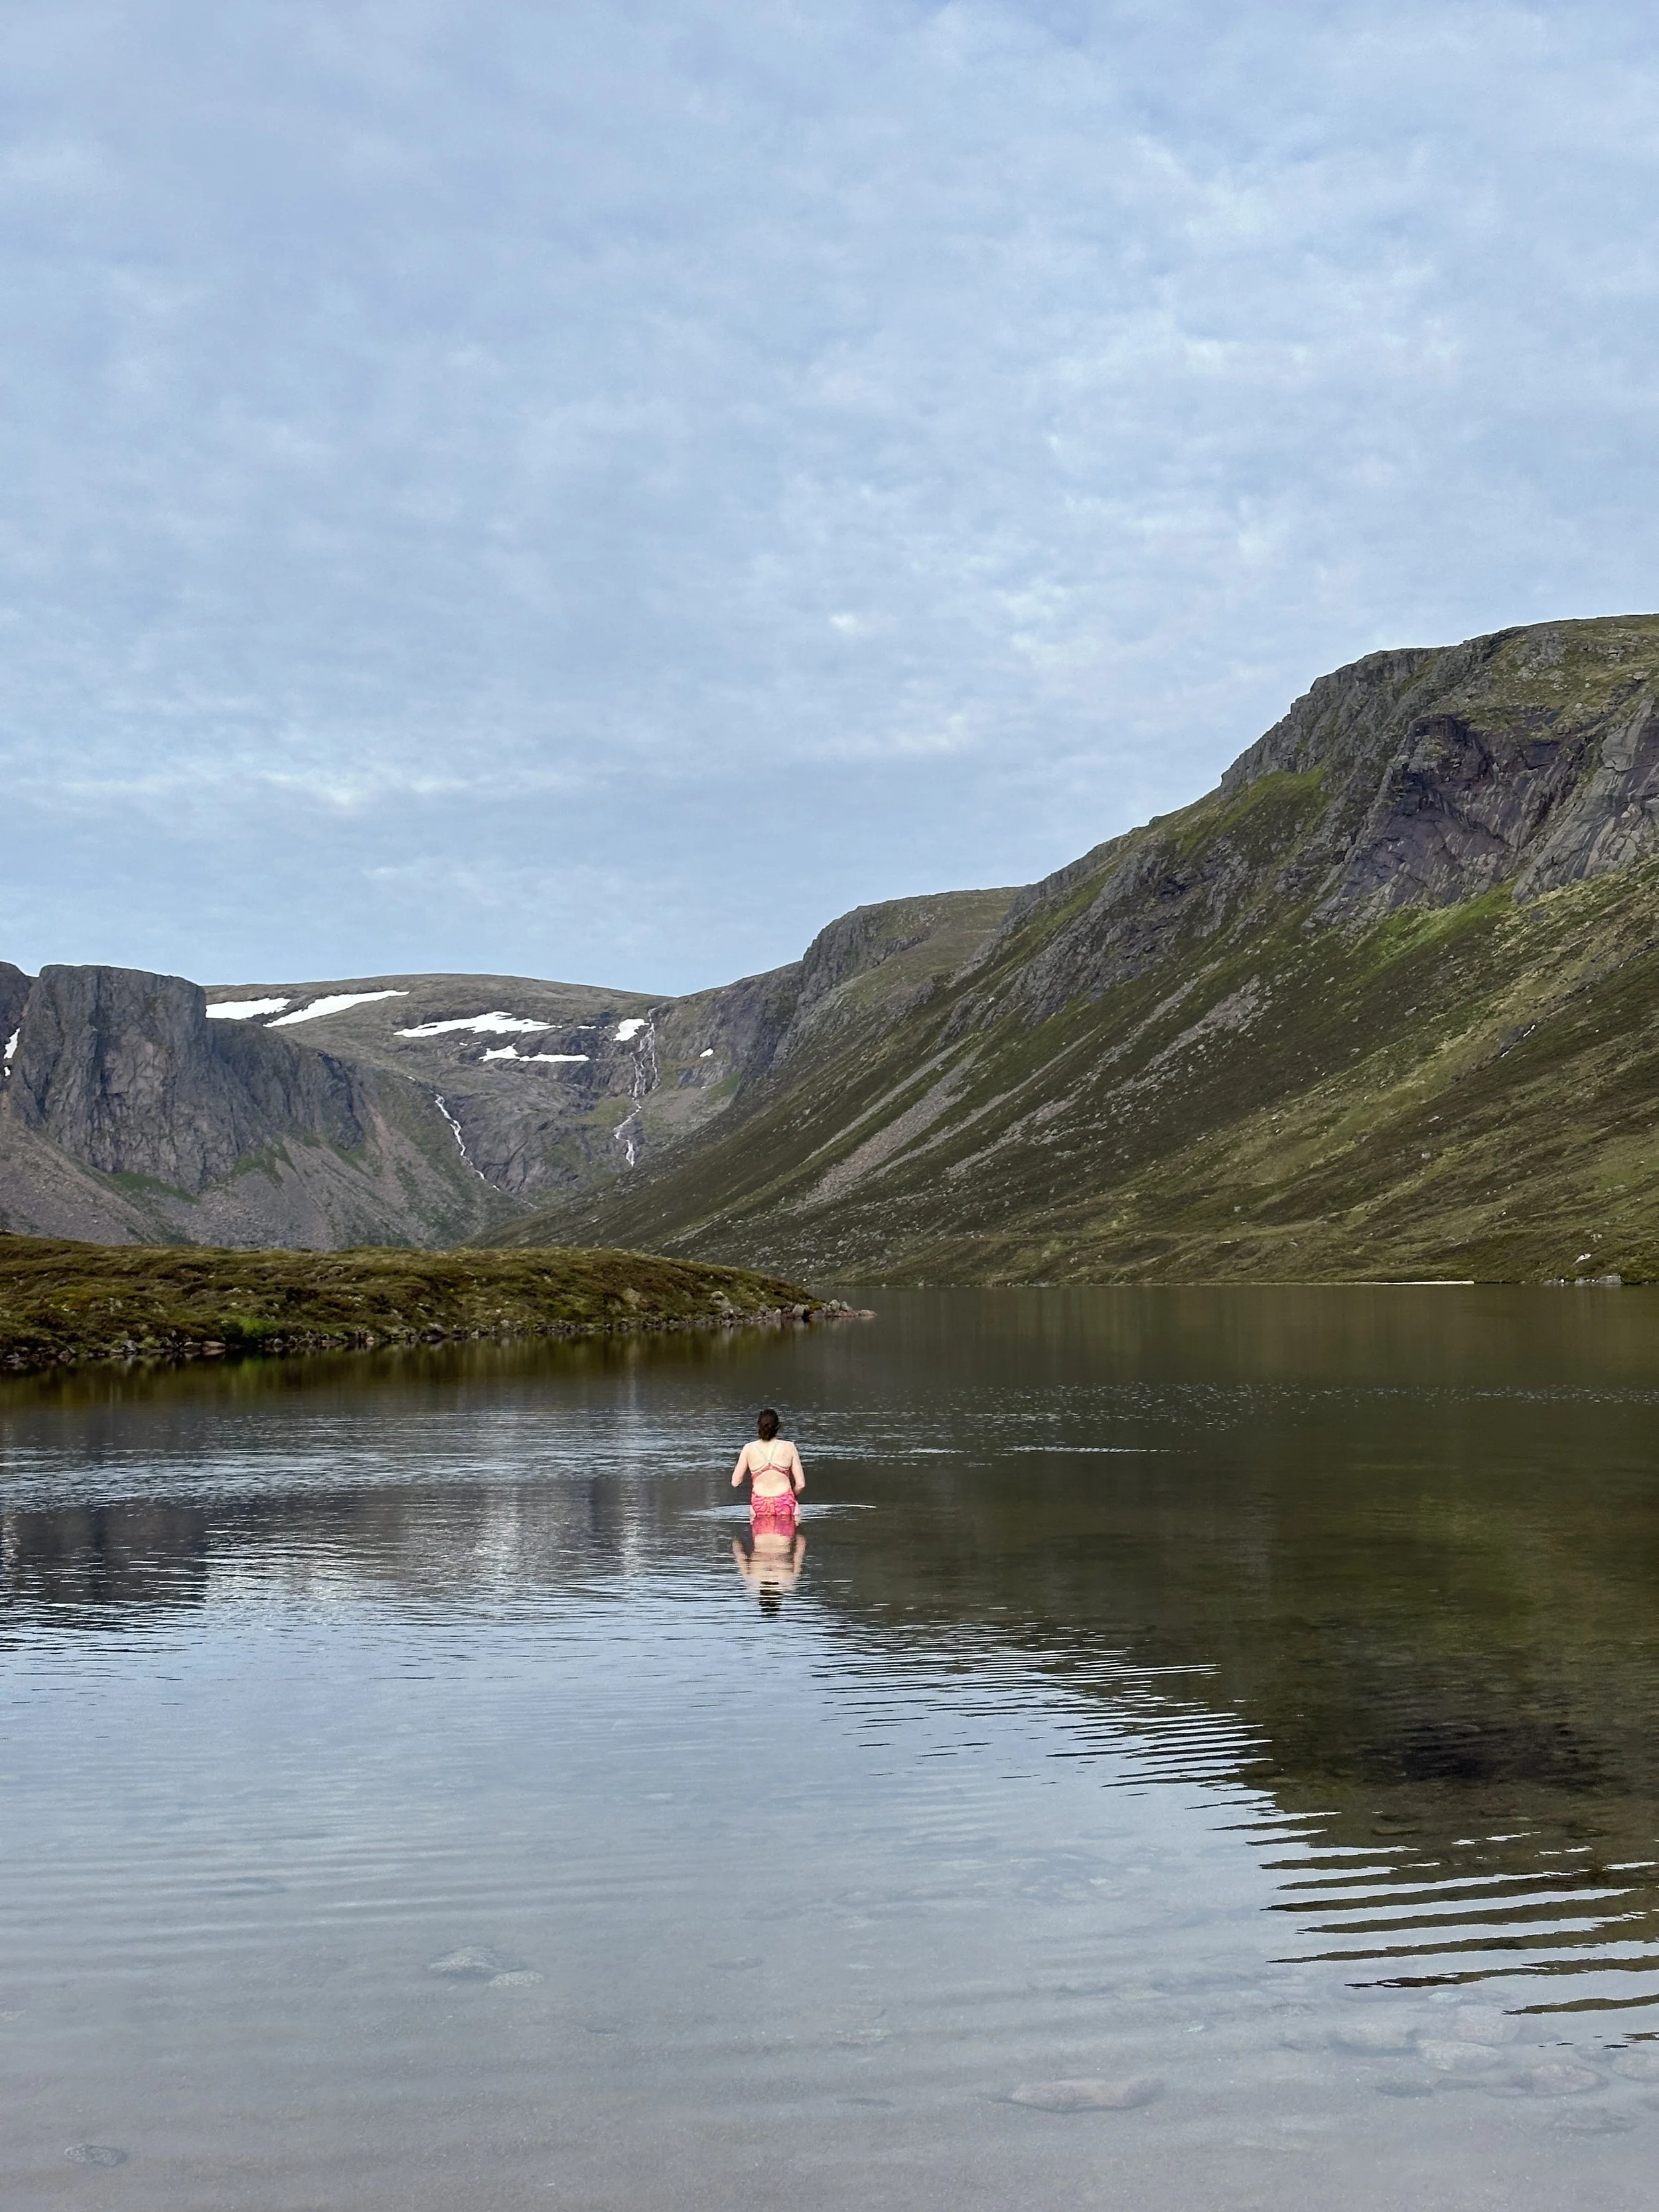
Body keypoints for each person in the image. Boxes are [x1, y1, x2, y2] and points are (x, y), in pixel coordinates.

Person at [731, 1407, 805, 1534]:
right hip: (786, 1503)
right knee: (796, 1537)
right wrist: (790, 1497)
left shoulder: (749, 1449)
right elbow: (801, 1484)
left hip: (759, 1505)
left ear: (758, 1426)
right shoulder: (789, 1447)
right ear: (778, 1427)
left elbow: (735, 1482)